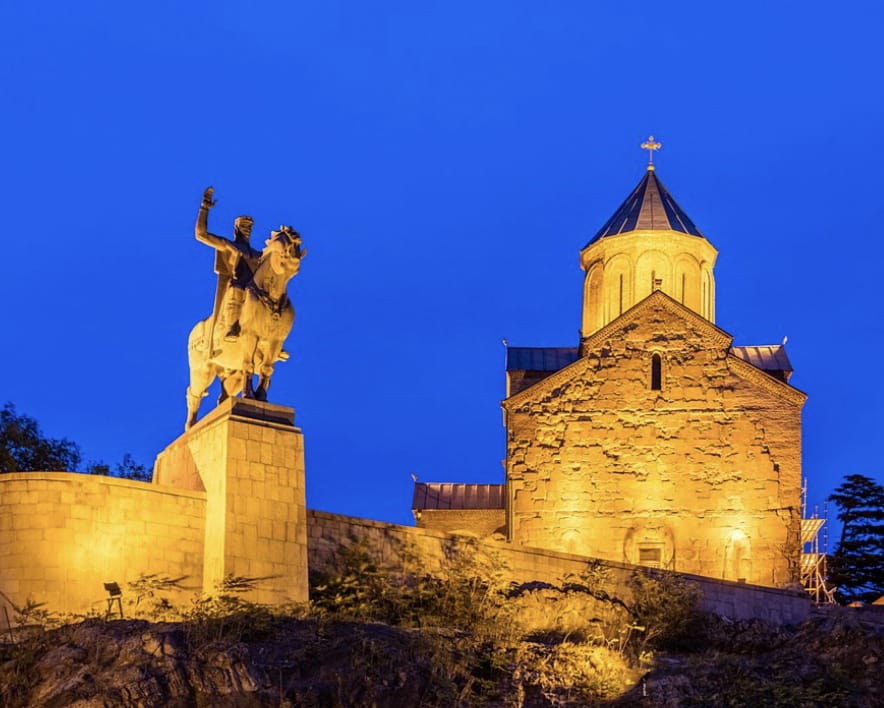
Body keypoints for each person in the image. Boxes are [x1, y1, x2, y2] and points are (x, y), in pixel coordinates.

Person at [194, 186, 261, 341]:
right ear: (236, 229)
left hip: (255, 289)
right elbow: (201, 235)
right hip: (237, 285)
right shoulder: (229, 245)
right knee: (237, 291)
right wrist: (204, 208)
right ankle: (232, 326)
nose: (247, 230)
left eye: (250, 227)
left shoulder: (258, 254)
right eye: (244, 226)